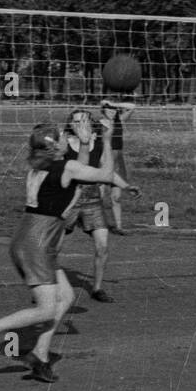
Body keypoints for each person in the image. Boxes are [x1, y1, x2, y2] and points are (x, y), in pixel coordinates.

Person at [0, 115, 137, 383]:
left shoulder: (43, 166)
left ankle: (40, 356)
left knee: (65, 298)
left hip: (29, 235)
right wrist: (104, 139)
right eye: (59, 138)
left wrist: (82, 144)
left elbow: (75, 171)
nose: (63, 139)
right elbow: (104, 175)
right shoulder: (64, 167)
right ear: (55, 145)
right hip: (38, 241)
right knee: (46, 309)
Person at [61, 108, 116, 302]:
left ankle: (97, 288)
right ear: (70, 124)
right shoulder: (63, 144)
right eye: (76, 121)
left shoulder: (99, 144)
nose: (80, 124)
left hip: (93, 200)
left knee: (102, 246)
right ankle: (46, 289)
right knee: (54, 247)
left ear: (91, 123)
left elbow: (106, 171)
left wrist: (126, 185)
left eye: (84, 120)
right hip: (68, 200)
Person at [104, 99, 135, 234]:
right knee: (97, 197)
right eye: (108, 109)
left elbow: (132, 106)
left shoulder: (120, 121)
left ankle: (118, 226)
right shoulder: (99, 123)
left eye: (113, 110)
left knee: (116, 197)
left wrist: (114, 104)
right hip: (104, 160)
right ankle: (95, 223)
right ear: (103, 110)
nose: (111, 111)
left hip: (118, 161)